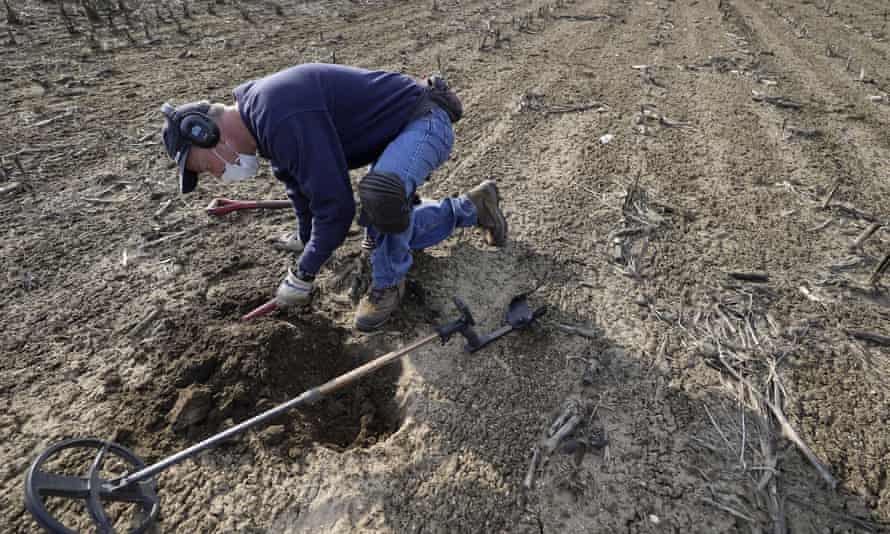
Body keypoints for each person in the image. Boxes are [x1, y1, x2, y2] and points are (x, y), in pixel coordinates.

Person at [160, 63, 507, 331]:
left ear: (206, 134)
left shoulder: (277, 112)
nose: (214, 174)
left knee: (381, 197)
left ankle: (388, 286)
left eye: (203, 166)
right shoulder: (262, 121)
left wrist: (303, 274)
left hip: (426, 122)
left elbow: (336, 210)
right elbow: (299, 187)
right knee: (387, 231)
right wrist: (306, 238)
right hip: (399, 135)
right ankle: (473, 208)